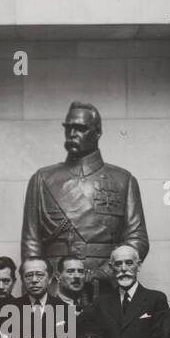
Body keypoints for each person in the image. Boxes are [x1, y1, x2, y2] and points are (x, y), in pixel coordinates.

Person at [20, 100, 149, 294]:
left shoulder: (123, 179)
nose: (72, 134)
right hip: (56, 283)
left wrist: (106, 272)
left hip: (106, 284)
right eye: (68, 128)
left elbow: (137, 238)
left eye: (80, 129)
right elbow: (31, 243)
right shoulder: (42, 178)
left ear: (97, 133)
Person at [91, 244, 168, 338]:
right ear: (111, 268)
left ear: (139, 265)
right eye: (118, 264)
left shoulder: (156, 299)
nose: (123, 268)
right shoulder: (101, 303)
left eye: (129, 263)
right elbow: (98, 337)